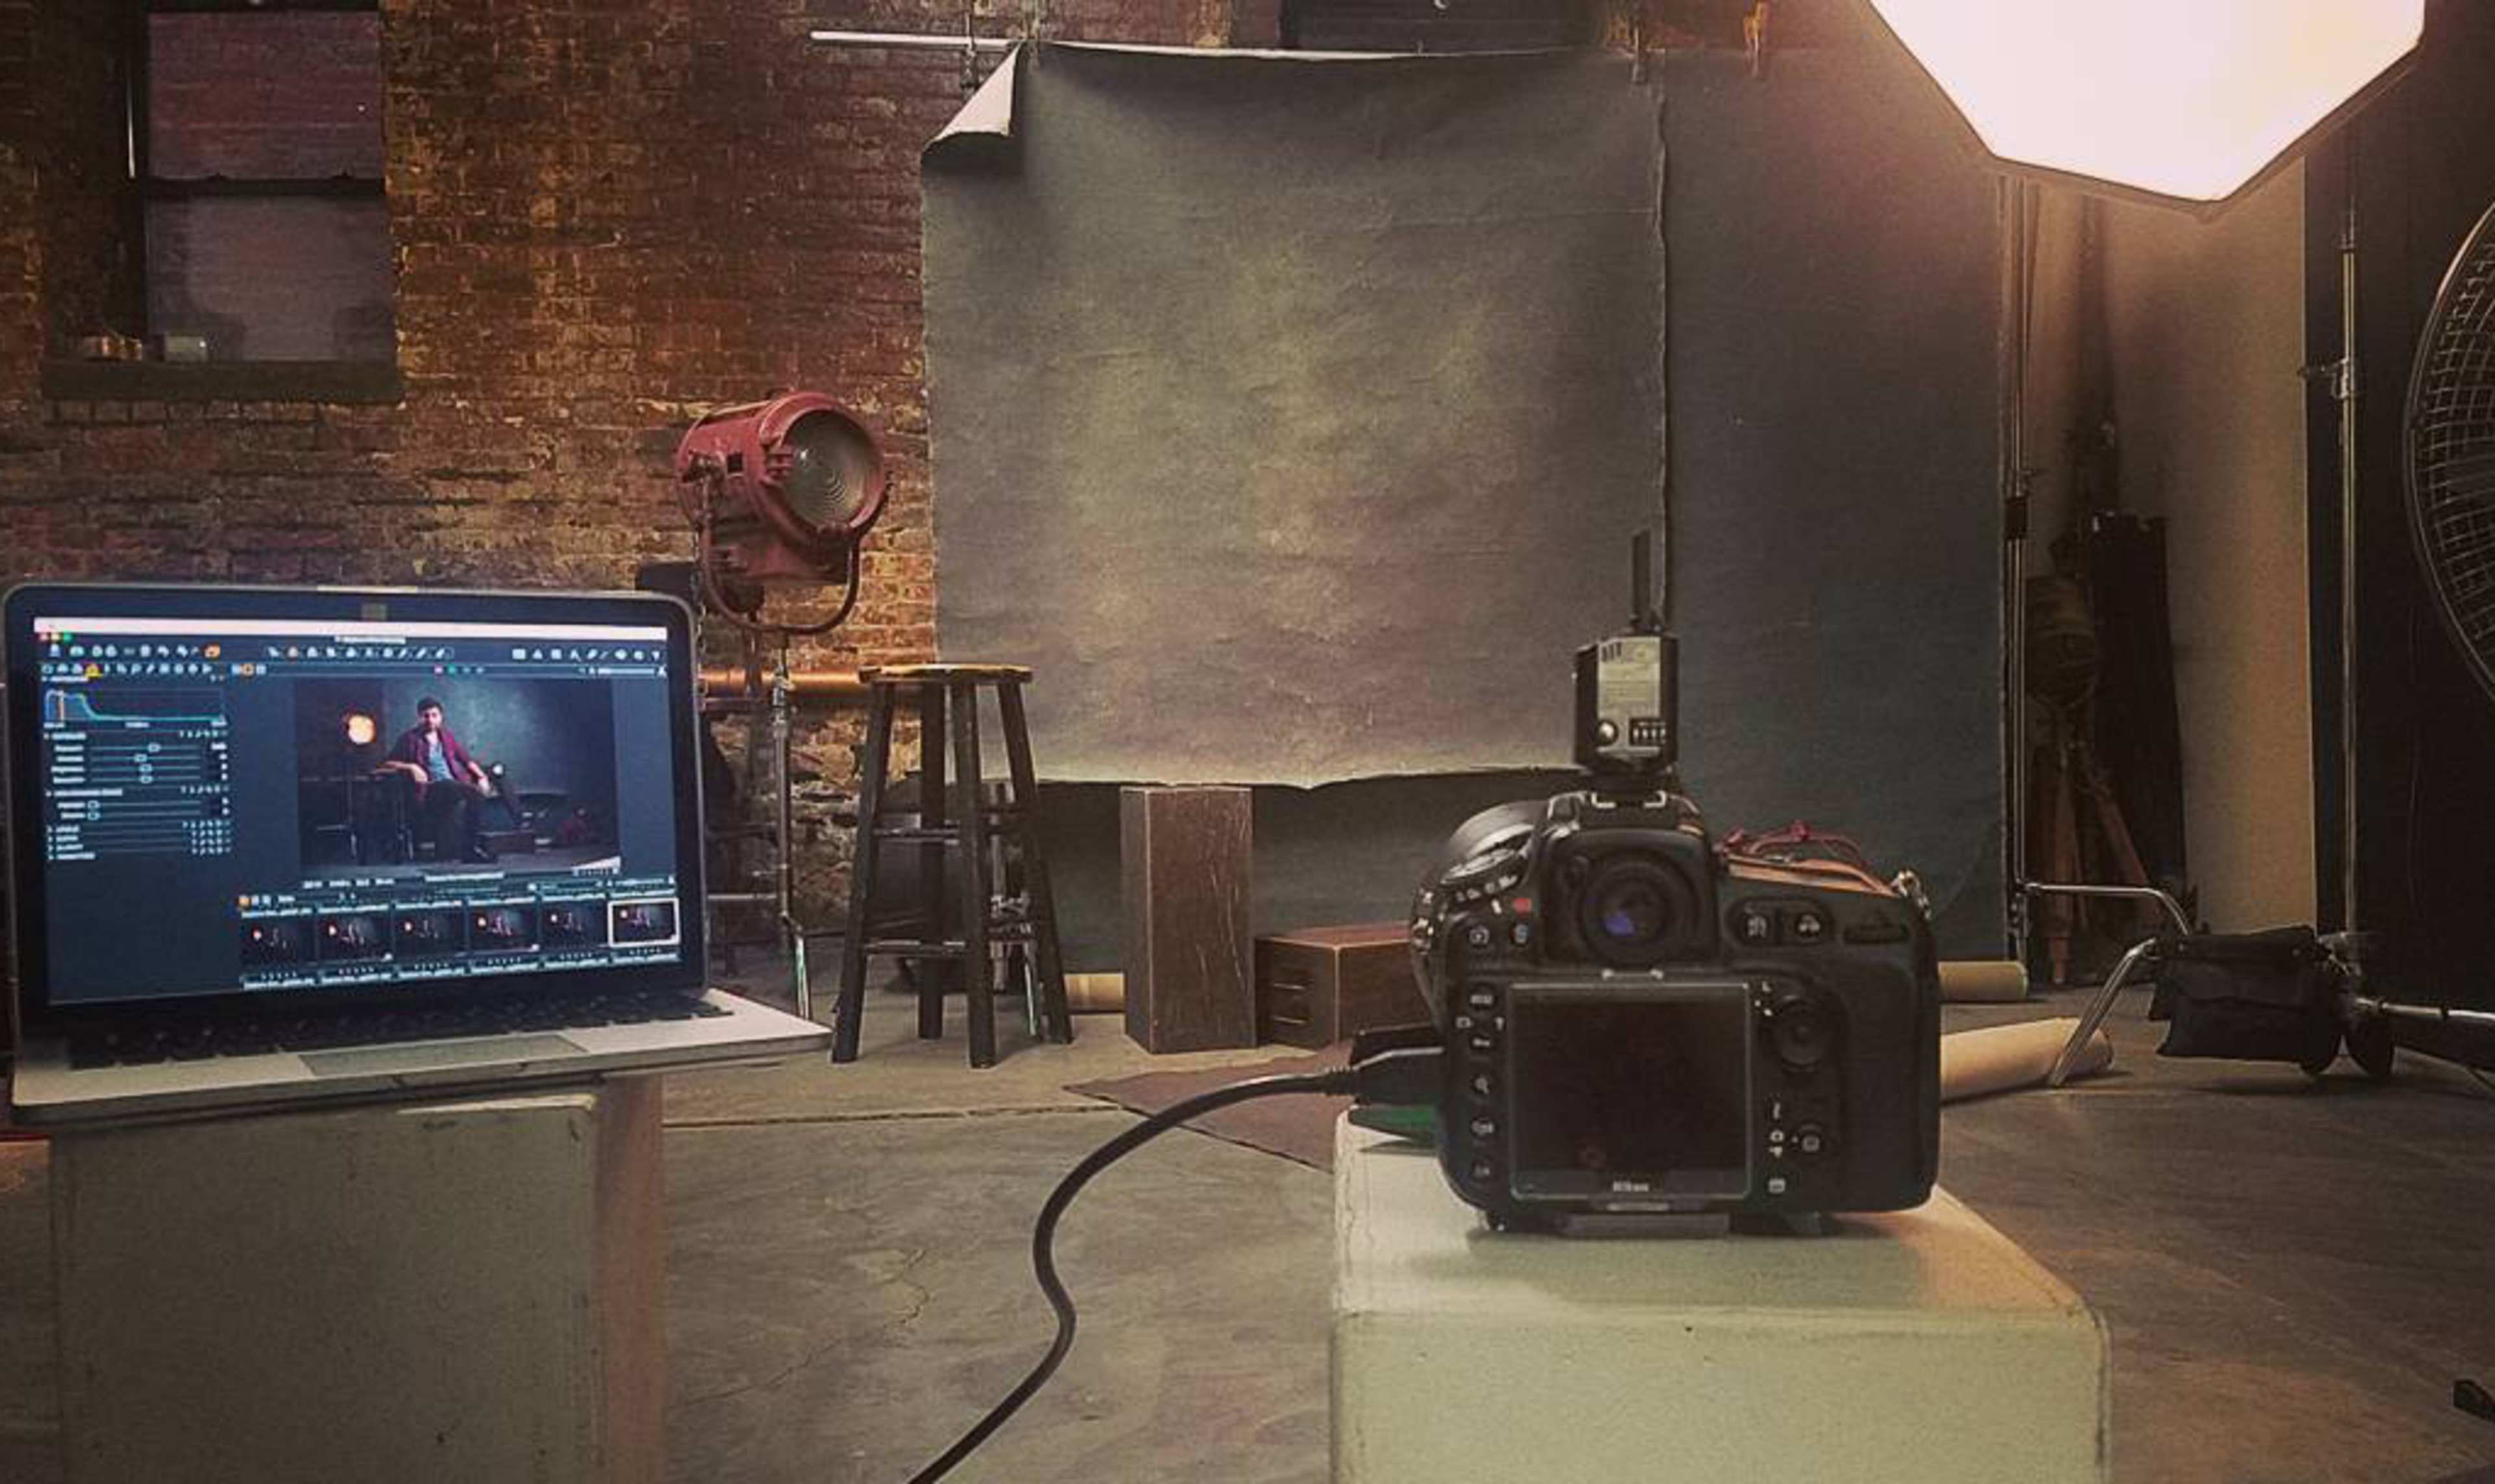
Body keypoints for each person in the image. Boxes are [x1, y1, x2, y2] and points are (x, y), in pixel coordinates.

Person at [378, 697, 497, 864]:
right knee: (462, 789)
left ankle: (470, 847)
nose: (430, 720)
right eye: (426, 716)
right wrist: (412, 767)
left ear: (441, 717)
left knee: (475, 793)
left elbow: (466, 760)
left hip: (452, 785)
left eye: (434, 715)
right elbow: (387, 762)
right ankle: (470, 850)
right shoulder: (410, 739)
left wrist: (482, 777)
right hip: (430, 790)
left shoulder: (446, 737)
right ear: (419, 717)